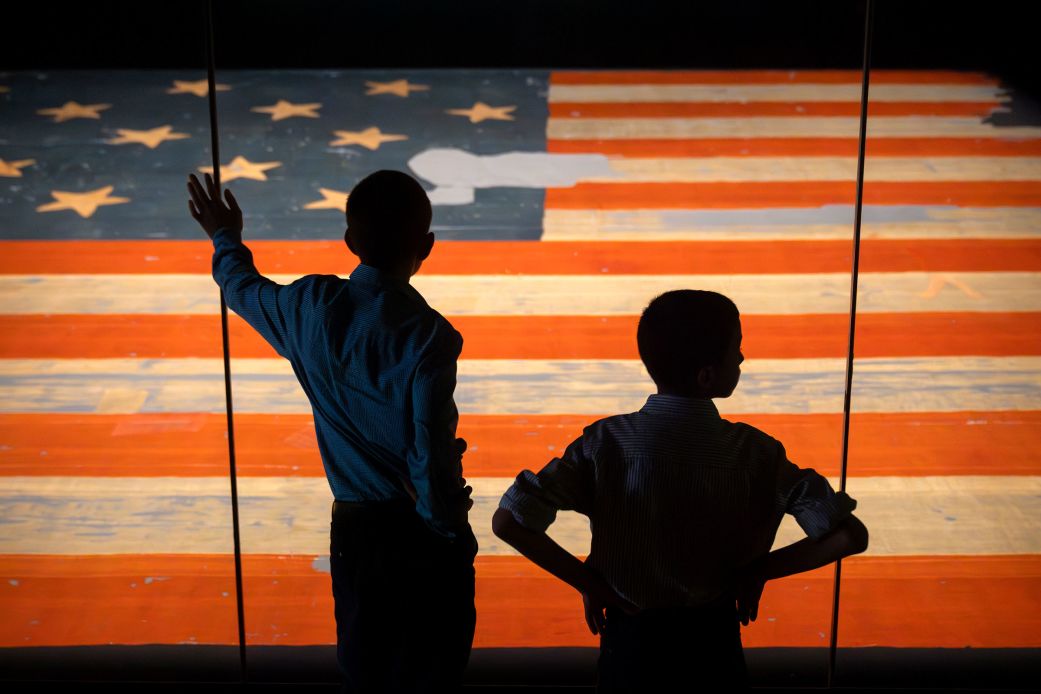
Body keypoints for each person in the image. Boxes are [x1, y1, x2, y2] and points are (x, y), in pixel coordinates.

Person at [187, 170, 477, 692]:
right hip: (420, 533)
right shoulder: (431, 337)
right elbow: (429, 450)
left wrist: (224, 235)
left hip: (357, 530)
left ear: (350, 242)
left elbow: (241, 288)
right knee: (434, 677)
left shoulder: (309, 306)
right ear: (427, 246)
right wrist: (449, 529)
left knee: (368, 671)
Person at [492, 289, 869, 690]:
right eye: (736, 349)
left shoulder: (605, 443)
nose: (741, 359)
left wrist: (591, 581)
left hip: (630, 638)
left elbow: (509, 523)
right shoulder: (757, 453)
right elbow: (848, 535)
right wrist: (755, 572)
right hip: (713, 641)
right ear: (706, 374)